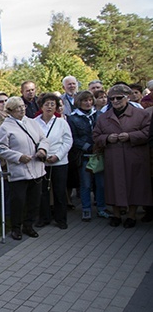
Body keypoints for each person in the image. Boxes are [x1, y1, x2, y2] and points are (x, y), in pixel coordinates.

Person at [93, 84, 152, 228]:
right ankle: (116, 215)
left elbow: (148, 133)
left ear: (127, 97)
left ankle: (131, 216)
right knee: (113, 186)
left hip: (135, 157)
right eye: (112, 98)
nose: (115, 101)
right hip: (113, 157)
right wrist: (107, 138)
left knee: (135, 186)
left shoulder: (141, 114)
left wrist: (130, 136)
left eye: (119, 98)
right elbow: (95, 135)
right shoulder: (104, 117)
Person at [0, 97, 50, 240]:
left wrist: (43, 150)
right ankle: (16, 227)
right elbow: (0, 149)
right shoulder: (5, 127)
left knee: (34, 200)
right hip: (19, 170)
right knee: (18, 201)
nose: (22, 109)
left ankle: (29, 225)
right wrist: (18, 156)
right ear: (10, 111)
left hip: (37, 167)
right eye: (18, 107)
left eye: (23, 106)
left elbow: (43, 139)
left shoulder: (32, 122)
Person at [68, 91, 110, 221]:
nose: (88, 103)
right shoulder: (73, 118)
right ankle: (86, 209)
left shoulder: (99, 115)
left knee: (101, 184)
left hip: (99, 154)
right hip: (84, 155)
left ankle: (102, 208)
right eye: (84, 101)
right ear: (78, 102)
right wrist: (88, 146)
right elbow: (73, 138)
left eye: (90, 100)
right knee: (85, 184)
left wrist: (100, 145)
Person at [34, 94, 73, 229]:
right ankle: (44, 218)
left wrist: (57, 156)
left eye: (52, 104)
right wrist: (41, 154)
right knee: (42, 191)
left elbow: (68, 141)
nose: (49, 107)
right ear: (41, 106)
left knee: (59, 191)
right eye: (47, 104)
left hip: (59, 162)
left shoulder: (61, 122)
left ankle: (61, 219)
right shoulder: (35, 122)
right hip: (41, 161)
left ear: (56, 107)